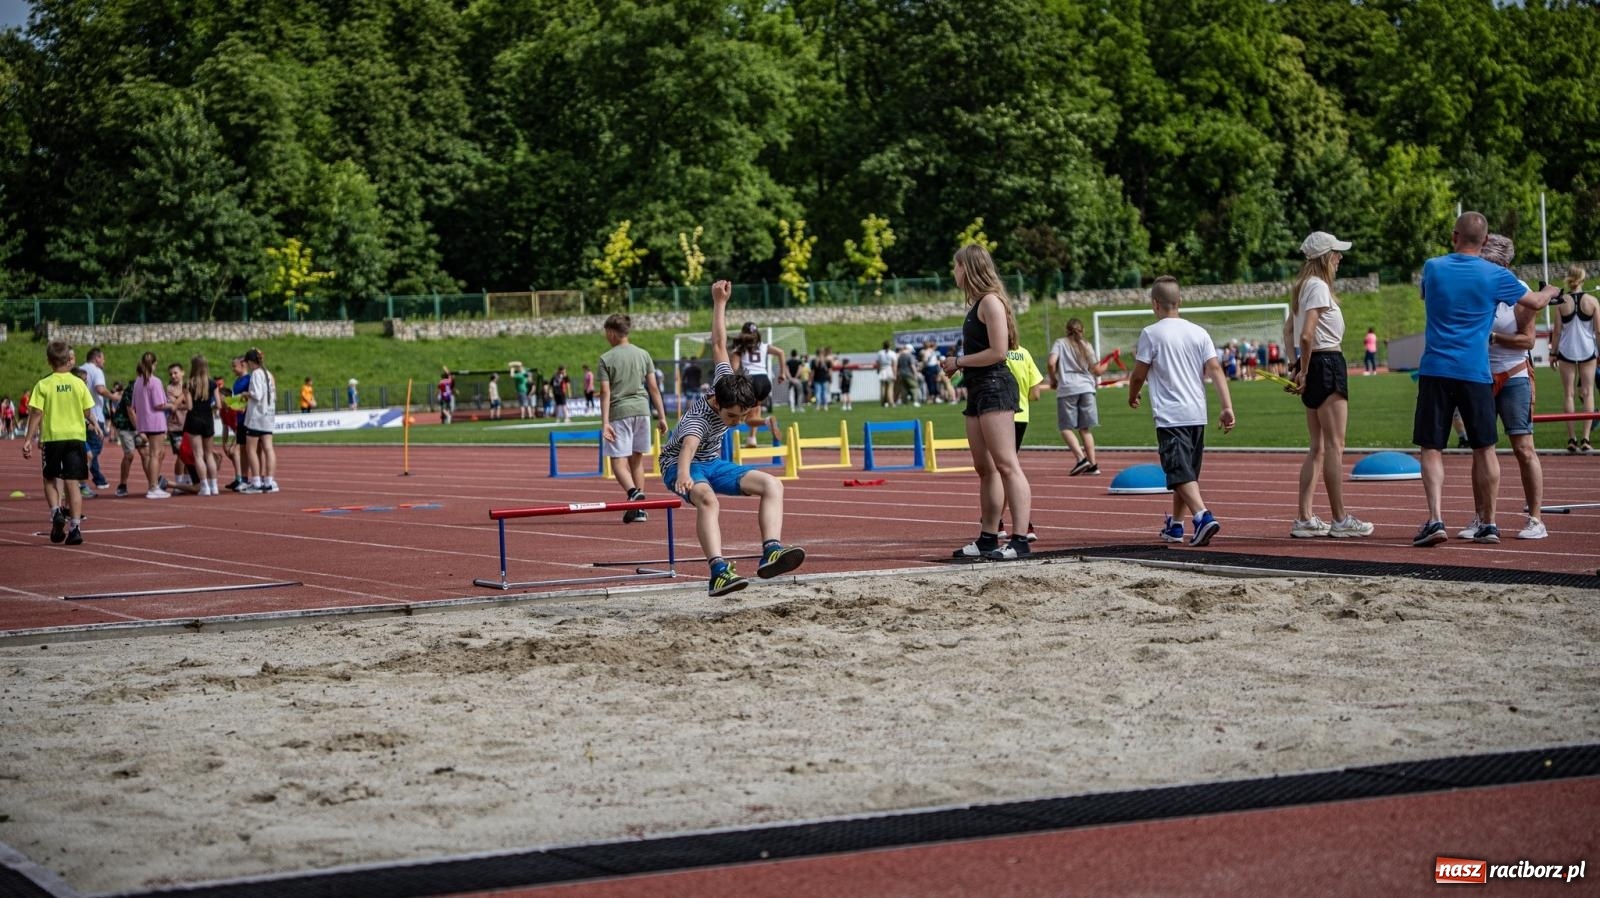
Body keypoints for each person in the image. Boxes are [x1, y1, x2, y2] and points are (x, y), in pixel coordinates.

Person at [1410, 212, 1558, 547]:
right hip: (1476, 372)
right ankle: (1489, 524)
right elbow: (1532, 303)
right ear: (1486, 240)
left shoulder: (1433, 267)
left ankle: (1435, 519)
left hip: (1436, 368)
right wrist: (1549, 291)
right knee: (1485, 448)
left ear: (1454, 236)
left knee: (1431, 447)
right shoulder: (1495, 275)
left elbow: (1430, 295)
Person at [660, 280, 805, 596]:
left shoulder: (727, 382)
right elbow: (688, 446)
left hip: (712, 463)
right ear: (717, 404)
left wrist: (720, 303)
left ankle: (772, 550)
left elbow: (718, 344)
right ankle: (718, 572)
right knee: (708, 500)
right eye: (732, 418)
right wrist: (684, 474)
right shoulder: (699, 419)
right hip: (678, 465)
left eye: (743, 416)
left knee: (772, 484)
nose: (738, 423)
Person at [1127, 276, 1236, 547]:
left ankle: (1202, 517)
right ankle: (1176, 526)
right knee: (1186, 473)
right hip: (1196, 413)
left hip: (1170, 415)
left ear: (1154, 304)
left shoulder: (1151, 334)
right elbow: (1214, 369)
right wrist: (1226, 406)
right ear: (1180, 302)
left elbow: (1139, 374)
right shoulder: (1199, 332)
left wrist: (1132, 395)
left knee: (1179, 473)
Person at [942, 244, 1034, 561]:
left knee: (1006, 463)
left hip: (995, 386)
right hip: (977, 388)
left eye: (955, 266)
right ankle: (987, 538)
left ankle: (1020, 539)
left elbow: (999, 352)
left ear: (968, 268)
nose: (953, 273)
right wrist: (961, 366)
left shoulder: (991, 302)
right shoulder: (977, 305)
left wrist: (959, 361)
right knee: (985, 469)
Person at [1285, 231, 1373, 539]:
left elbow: (1288, 332)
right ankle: (1339, 519)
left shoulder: (1301, 288)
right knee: (1335, 445)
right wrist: (1304, 370)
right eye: (1336, 253)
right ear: (1325, 257)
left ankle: (1305, 518)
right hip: (1326, 364)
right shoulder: (1319, 287)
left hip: (1313, 365)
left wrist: (1294, 366)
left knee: (1318, 447)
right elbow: (1306, 335)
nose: (1340, 257)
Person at [1465, 234, 1546, 540]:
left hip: (1513, 375)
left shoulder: (1521, 292)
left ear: (1503, 264)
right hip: (1481, 377)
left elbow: (1527, 339)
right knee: (1481, 449)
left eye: (1488, 262)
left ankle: (1536, 519)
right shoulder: (1478, 286)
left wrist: (1495, 339)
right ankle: (1482, 518)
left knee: (1523, 448)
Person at [21, 341, 98, 546]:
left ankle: (56, 511)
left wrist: (28, 439)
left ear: (49, 361)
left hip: (53, 437)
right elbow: (87, 411)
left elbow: (37, 412)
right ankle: (75, 528)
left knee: (50, 478)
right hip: (75, 436)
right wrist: (94, 424)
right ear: (68, 360)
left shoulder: (44, 384)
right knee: (73, 482)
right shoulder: (78, 383)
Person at [599, 313, 669, 523]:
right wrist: (662, 416)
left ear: (611, 333)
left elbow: (605, 392)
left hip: (620, 412)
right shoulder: (643, 354)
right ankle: (639, 510)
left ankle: (632, 493)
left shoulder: (606, 358)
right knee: (636, 462)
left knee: (617, 462)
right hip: (643, 411)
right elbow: (654, 388)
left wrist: (604, 422)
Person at [1048, 318, 1109, 476]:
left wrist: (1054, 379)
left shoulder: (1060, 343)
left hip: (1068, 388)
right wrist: (1107, 364)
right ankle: (1093, 464)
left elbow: (1051, 362)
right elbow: (1097, 370)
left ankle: (1081, 459)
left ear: (1066, 329)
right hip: (1087, 388)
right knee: (1085, 428)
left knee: (1065, 427)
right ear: (1082, 330)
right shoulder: (1087, 346)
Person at [997, 343, 1044, 541]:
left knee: (1002, 471)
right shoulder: (1025, 353)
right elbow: (1036, 394)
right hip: (1021, 416)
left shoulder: (995, 350)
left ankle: (1011, 523)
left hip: (999, 413)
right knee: (1008, 468)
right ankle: (998, 520)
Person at [1549, 264, 1596, 453]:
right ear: (1583, 278)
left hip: (1567, 351)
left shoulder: (1561, 302)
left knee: (1568, 393)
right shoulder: (1592, 301)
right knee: (1588, 392)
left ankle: (1571, 439)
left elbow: (1557, 331)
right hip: (1588, 350)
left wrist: (1553, 353)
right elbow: (1599, 330)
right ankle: (1586, 438)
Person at [730, 322, 785, 447]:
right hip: (765, 381)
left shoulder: (739, 349)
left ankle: (767, 421)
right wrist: (782, 374)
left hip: (750, 381)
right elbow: (781, 352)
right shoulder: (763, 346)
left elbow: (733, 369)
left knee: (749, 419)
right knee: (756, 410)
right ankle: (752, 438)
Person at [131, 351, 171, 499]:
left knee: (155, 454)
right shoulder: (155, 381)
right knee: (155, 454)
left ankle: (153, 485)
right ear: (154, 364)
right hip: (155, 421)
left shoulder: (137, 382)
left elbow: (134, 404)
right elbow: (159, 404)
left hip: (144, 421)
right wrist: (173, 406)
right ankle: (153, 487)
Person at [240, 348, 280, 494]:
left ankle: (256, 481)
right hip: (268, 415)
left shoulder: (256, 374)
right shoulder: (269, 374)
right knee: (268, 448)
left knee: (251, 449)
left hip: (257, 416)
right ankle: (268, 481)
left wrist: (245, 394)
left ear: (251, 362)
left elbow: (256, 394)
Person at [183, 355, 219, 495]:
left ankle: (204, 486)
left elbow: (190, 406)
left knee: (198, 454)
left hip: (194, 419)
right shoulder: (212, 384)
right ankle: (214, 486)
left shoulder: (189, 384)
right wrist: (211, 408)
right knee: (209, 454)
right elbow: (219, 404)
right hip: (207, 418)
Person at [81, 346, 113, 490]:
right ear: (96, 358)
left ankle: (99, 479)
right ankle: (78, 471)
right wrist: (113, 396)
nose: (105, 361)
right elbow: (100, 388)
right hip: (94, 415)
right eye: (103, 358)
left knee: (88, 447)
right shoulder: (96, 371)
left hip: (80, 415)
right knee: (95, 448)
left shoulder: (79, 369)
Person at [876, 341, 896, 405]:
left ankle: (883, 402)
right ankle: (891, 401)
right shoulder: (892, 353)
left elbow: (878, 363)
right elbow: (894, 365)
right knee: (890, 387)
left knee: (883, 387)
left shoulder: (880, 353)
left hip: (882, 370)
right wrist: (895, 374)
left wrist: (878, 370)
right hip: (889, 369)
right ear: (890, 346)